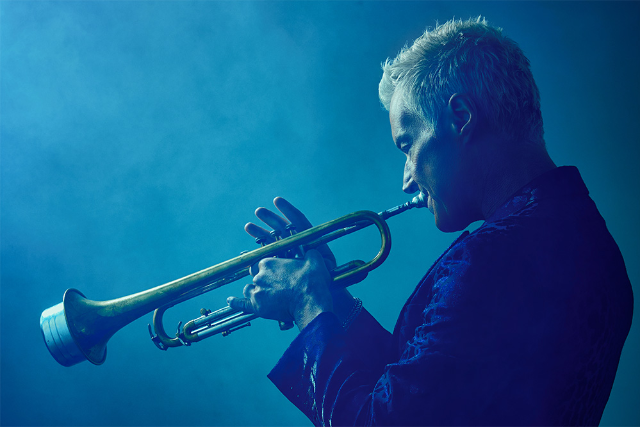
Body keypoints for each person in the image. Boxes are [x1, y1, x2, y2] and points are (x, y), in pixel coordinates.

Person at [228, 17, 633, 426]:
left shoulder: (489, 261)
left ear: (461, 116)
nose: (406, 180)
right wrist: (330, 298)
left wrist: (307, 305)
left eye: (408, 145)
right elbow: (423, 396)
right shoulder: (597, 247)